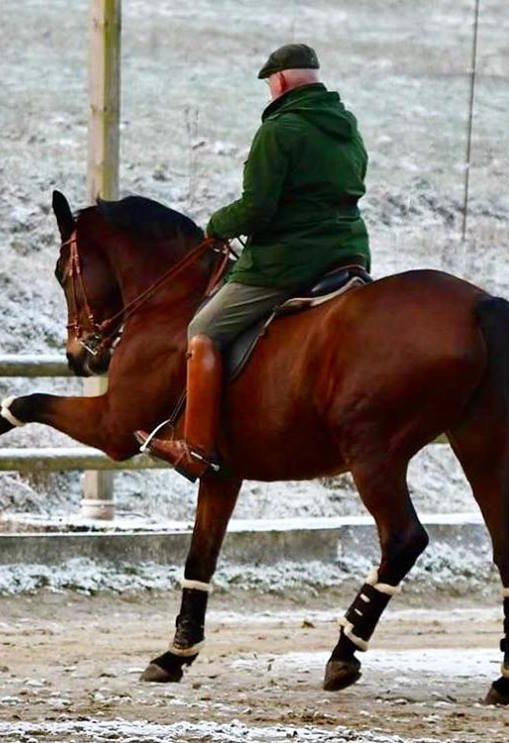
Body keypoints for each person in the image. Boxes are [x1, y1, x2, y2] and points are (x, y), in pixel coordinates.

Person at [137, 43, 370, 481]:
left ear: (279, 81)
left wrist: (218, 224)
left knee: (203, 331)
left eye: (269, 84)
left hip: (289, 262)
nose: (270, 91)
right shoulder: (347, 128)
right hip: (348, 254)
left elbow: (258, 209)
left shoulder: (279, 130)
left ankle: (196, 448)